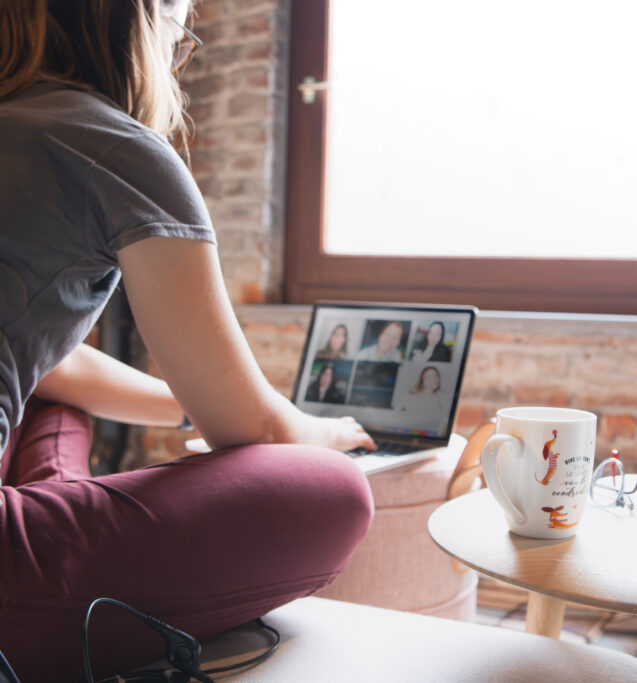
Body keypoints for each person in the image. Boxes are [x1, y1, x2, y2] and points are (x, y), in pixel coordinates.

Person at [0, 2, 377, 680]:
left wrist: (191, 400)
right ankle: (57, 533)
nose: (178, 53)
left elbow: (49, 362)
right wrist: (320, 431)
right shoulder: (114, 147)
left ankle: (59, 504)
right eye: (178, 28)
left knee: (51, 399)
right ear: (136, 22)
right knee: (337, 490)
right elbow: (253, 428)